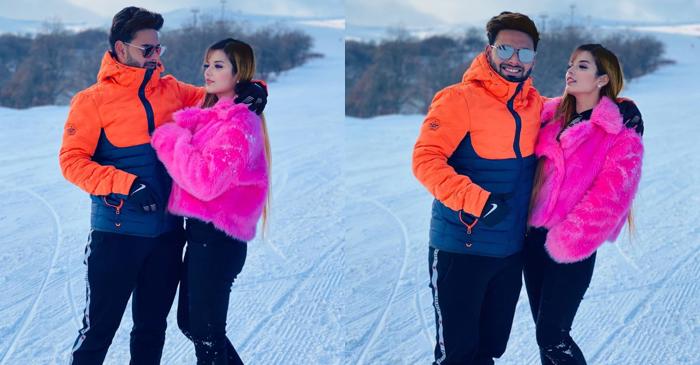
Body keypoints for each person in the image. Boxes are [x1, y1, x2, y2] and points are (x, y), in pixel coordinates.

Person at [58, 7, 267, 364]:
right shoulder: (92, 101)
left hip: (168, 237)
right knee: (98, 332)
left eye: (159, 48)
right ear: (121, 49)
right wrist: (126, 184)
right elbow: (72, 162)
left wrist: (257, 89)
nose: (156, 56)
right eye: (147, 49)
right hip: (118, 233)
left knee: (152, 330)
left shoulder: (170, 90)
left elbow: (220, 92)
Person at [412, 12, 544, 365]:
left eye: (525, 53)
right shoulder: (458, 99)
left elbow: (585, 105)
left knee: (489, 350)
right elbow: (425, 160)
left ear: (534, 58)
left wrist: (623, 107)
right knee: (459, 355)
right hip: (461, 248)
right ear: (489, 50)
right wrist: (478, 201)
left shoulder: (535, 106)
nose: (515, 60)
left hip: (509, 252)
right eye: (506, 49)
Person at [151, 38, 270, 364]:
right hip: (202, 236)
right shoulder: (217, 113)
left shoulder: (238, 121)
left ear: (238, 72)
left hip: (218, 240)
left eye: (218, 66)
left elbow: (205, 182)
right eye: (207, 64)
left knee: (206, 332)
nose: (208, 71)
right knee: (191, 324)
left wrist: (169, 140)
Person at [524, 44, 644, 364]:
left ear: (603, 79)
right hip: (533, 240)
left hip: (570, 244)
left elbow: (614, 192)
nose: (571, 71)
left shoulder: (618, 127)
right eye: (570, 64)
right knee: (544, 337)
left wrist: (571, 237)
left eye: (582, 66)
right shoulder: (550, 116)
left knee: (552, 335)